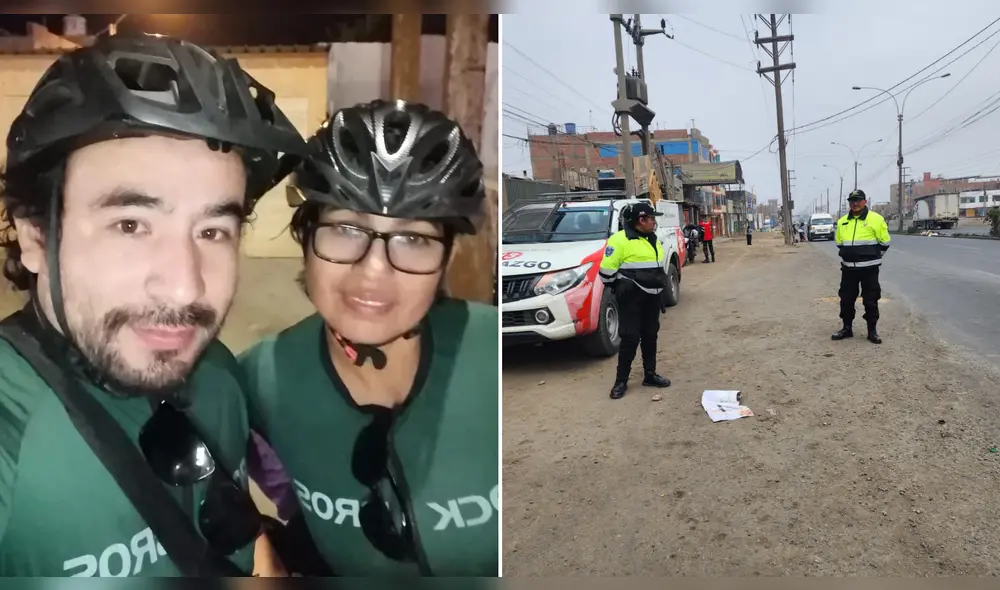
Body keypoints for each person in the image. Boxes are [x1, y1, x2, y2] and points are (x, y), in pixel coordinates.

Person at [0, 35, 307, 576]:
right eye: (131, 224)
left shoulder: (218, 377)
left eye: (213, 230)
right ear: (33, 237)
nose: (186, 290)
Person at [238, 100, 498, 576]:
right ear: (306, 235)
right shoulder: (258, 379)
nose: (372, 272)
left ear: (446, 255)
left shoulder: (493, 353)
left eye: (414, 239)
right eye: (344, 230)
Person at [599, 202, 672, 400]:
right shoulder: (619, 240)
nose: (654, 222)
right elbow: (606, 273)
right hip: (631, 298)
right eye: (651, 218)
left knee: (650, 335)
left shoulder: (652, 238)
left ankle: (650, 375)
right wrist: (623, 287)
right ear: (641, 220)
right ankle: (620, 381)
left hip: (652, 297)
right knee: (630, 337)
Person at [831, 189, 891, 344]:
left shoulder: (876, 219)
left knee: (871, 300)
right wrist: (850, 254)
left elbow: (885, 242)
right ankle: (847, 328)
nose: (855, 204)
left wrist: (873, 257)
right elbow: (839, 243)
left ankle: (872, 332)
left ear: (865, 202)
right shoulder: (842, 221)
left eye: (858, 200)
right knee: (846, 299)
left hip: (869, 270)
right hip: (848, 269)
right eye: (852, 201)